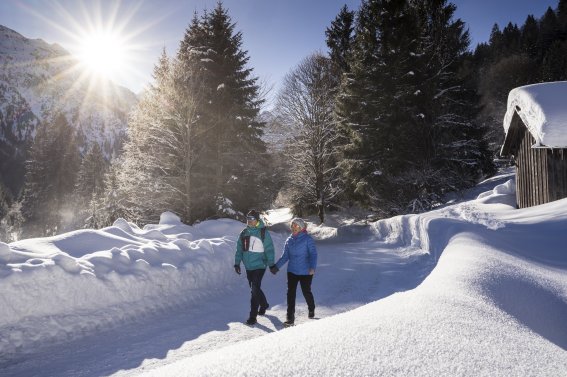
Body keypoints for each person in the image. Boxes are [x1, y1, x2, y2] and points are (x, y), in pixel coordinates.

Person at [270, 217, 317, 327]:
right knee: (290, 294)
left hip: (306, 271)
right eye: (292, 225)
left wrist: (312, 267)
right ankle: (290, 318)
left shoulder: (307, 239)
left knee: (306, 292)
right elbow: (285, 256)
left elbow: (313, 255)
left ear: (301, 227)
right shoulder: (289, 240)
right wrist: (276, 267)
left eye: (296, 226)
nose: (294, 227)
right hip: (292, 271)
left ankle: (311, 308)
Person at [234, 209, 275, 325]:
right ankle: (264, 304)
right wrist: (237, 263)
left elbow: (269, 249)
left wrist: (271, 264)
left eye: (252, 219)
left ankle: (253, 316)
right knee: (254, 288)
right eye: (248, 219)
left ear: (257, 220)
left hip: (260, 266)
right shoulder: (244, 233)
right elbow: (239, 250)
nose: (249, 221)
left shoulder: (263, 232)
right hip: (248, 266)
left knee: (255, 289)